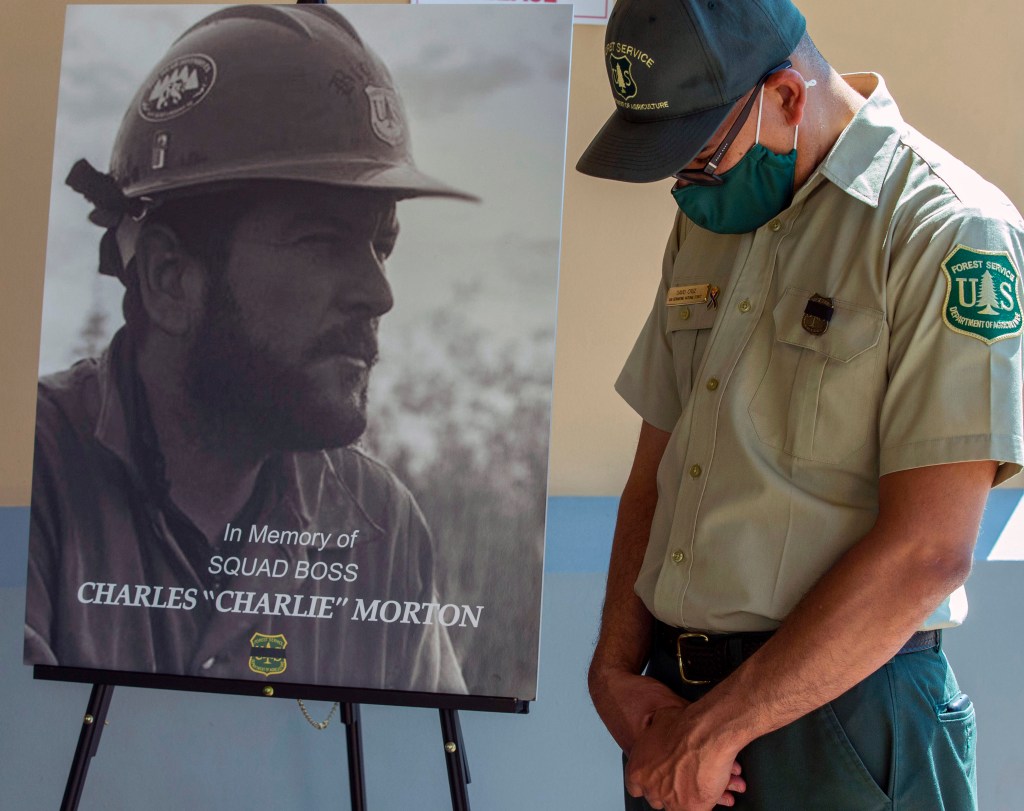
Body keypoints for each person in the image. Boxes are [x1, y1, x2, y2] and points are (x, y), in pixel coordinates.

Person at [576, 0, 1024, 808]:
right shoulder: (714, 217)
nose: (688, 187)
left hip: (848, 718)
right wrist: (613, 670)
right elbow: (658, 469)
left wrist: (718, 730)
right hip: (676, 715)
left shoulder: (947, 230)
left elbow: (930, 549)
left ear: (785, 96)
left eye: (699, 156)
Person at [24, 4, 472, 693]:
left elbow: (414, 768)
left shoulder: (382, 528)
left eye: (381, 245)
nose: (378, 295)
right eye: (322, 241)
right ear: (171, 279)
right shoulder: (33, 476)